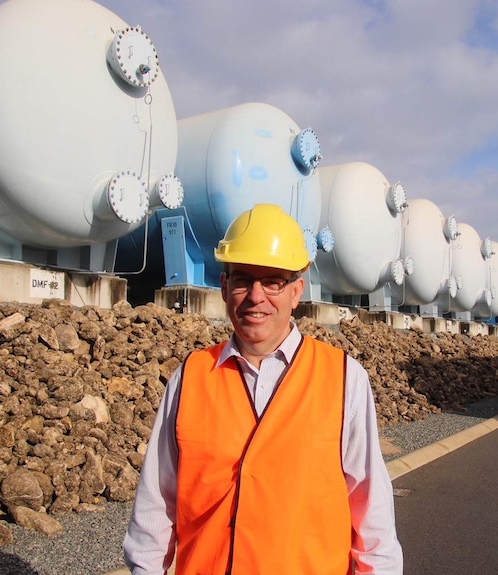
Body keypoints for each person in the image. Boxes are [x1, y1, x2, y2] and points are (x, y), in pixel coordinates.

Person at [123, 203, 403, 574]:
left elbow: (372, 517)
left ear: (296, 291)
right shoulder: (190, 378)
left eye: (272, 281)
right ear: (224, 287)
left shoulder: (344, 379)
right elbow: (156, 507)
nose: (256, 296)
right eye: (242, 279)